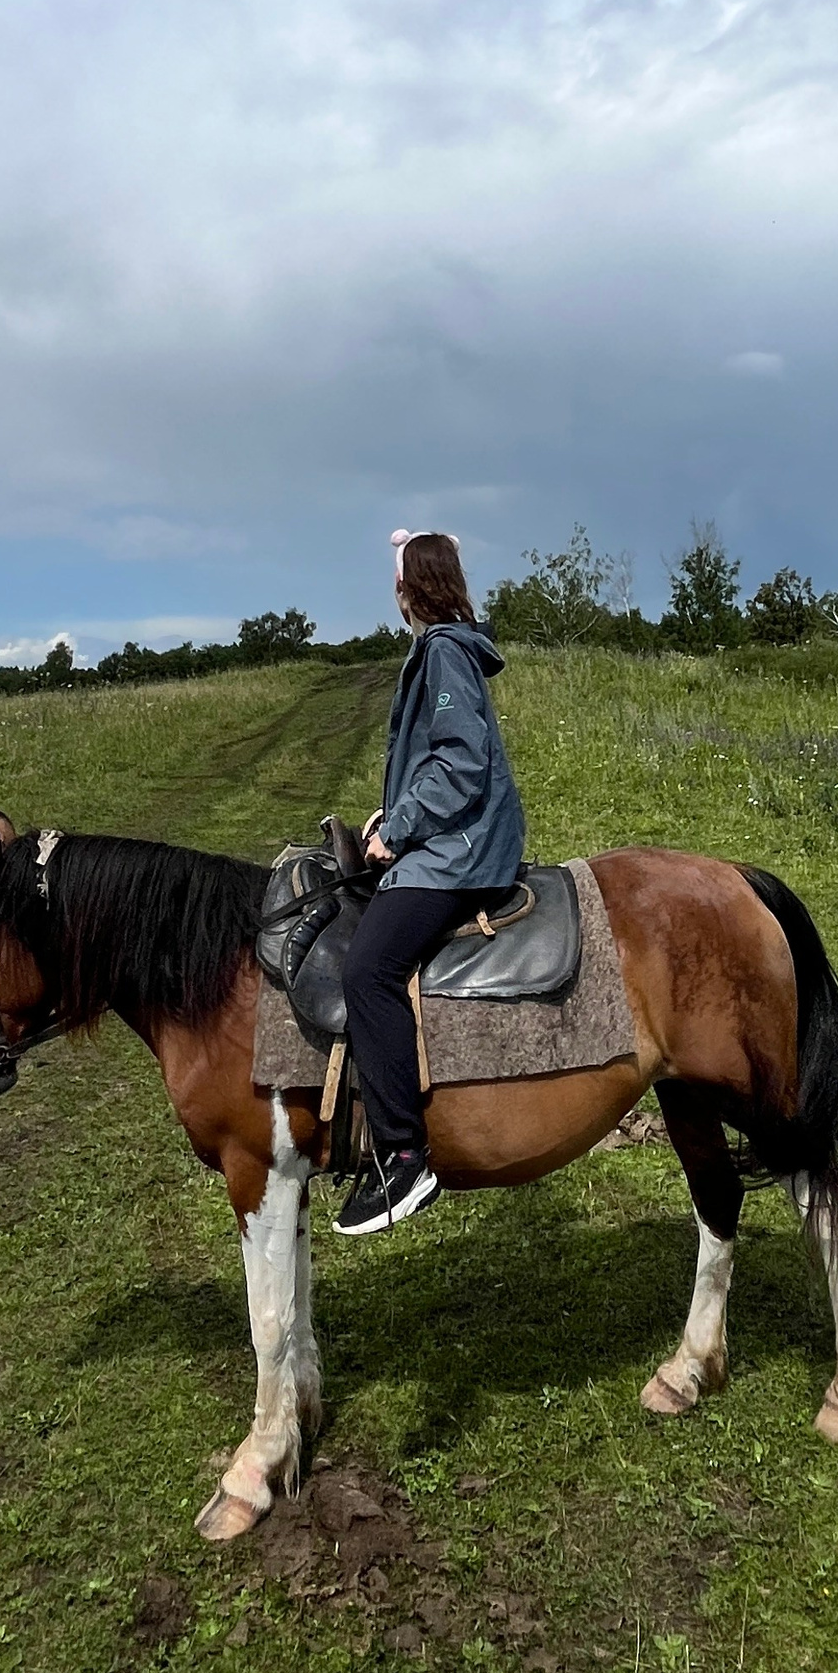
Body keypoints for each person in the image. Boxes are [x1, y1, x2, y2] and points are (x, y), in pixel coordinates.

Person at [331, 527, 527, 1237]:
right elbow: (439, 759)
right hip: (455, 835)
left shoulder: (442, 651)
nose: (394, 591)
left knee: (368, 968)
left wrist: (400, 829)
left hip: (464, 848)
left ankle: (404, 1158)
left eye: (397, 579)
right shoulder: (446, 647)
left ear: (409, 588)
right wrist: (397, 811)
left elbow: (461, 762)